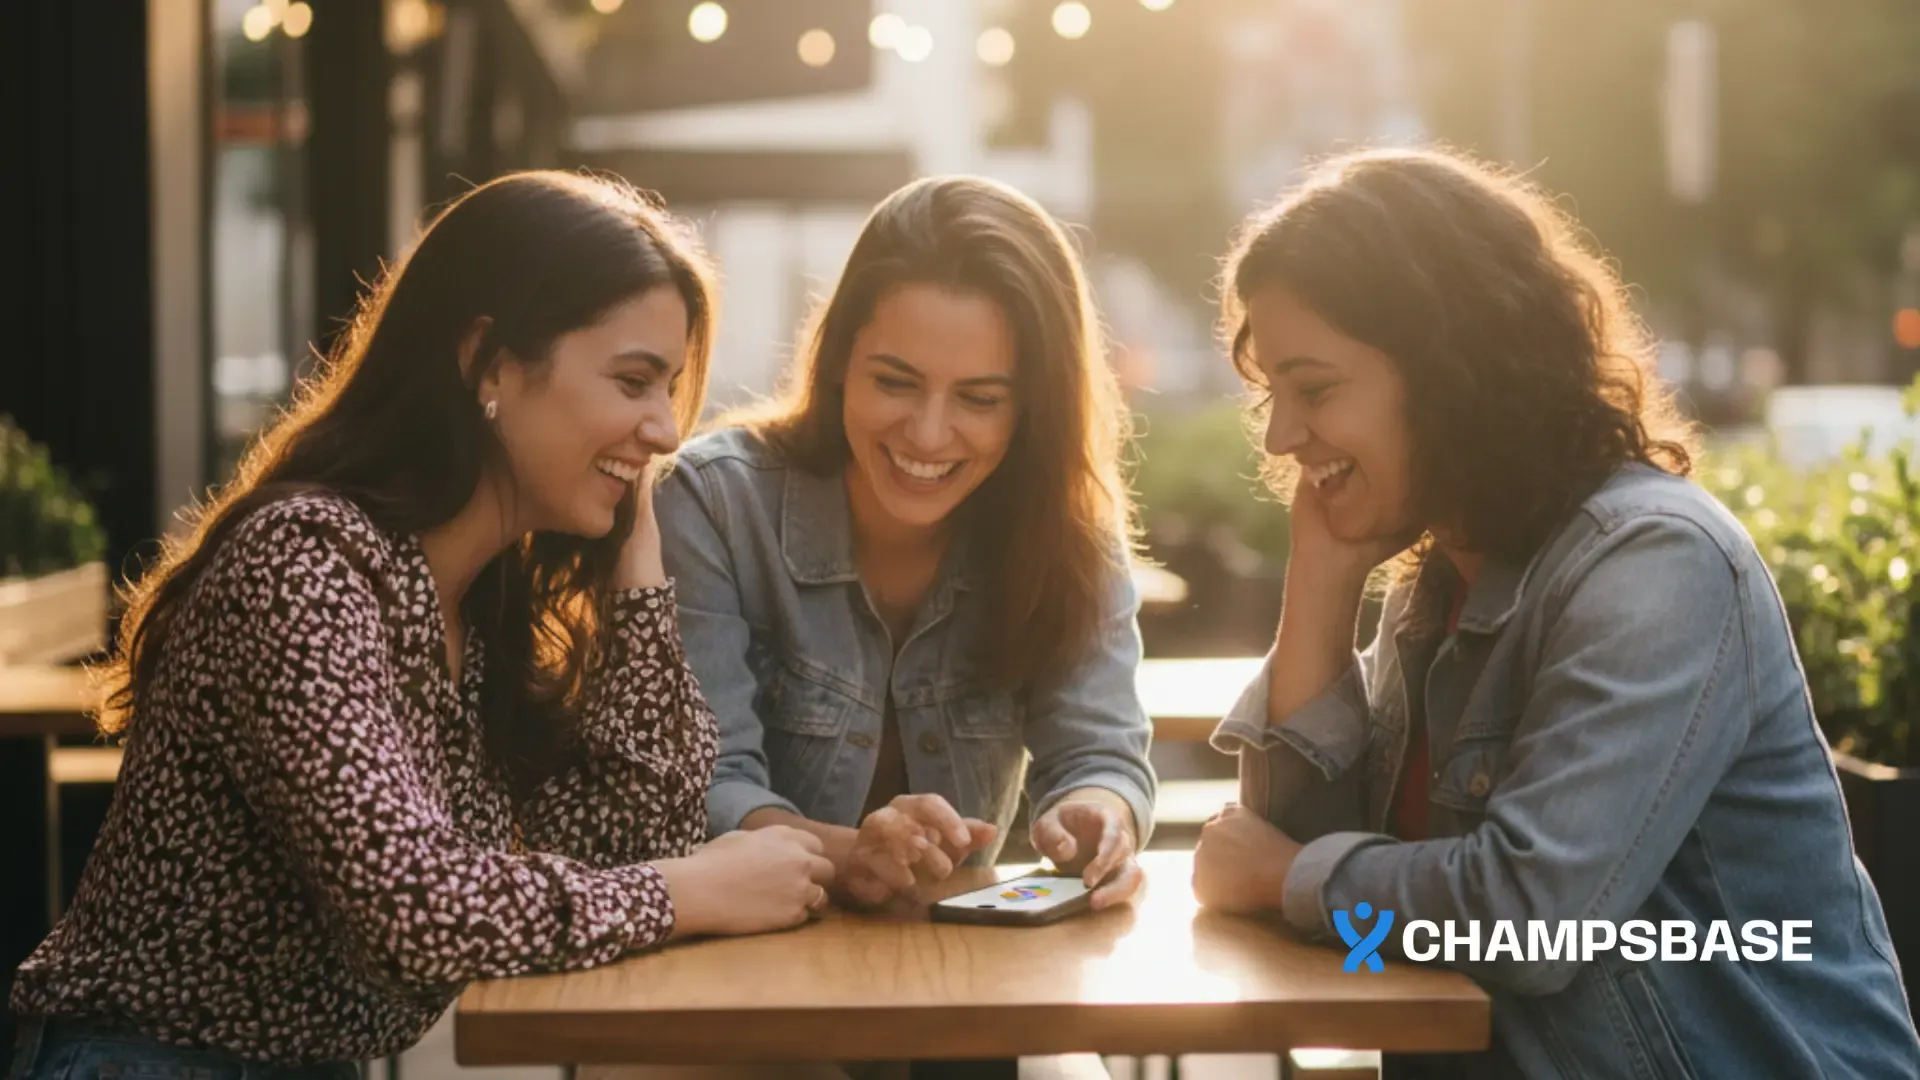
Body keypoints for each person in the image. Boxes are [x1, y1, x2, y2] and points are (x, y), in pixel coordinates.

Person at [6, 172, 834, 1080]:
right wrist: (688, 893)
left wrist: (637, 576)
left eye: (669, 390)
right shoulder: (306, 564)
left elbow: (628, 848)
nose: (668, 431)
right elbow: (414, 912)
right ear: (488, 364)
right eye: (633, 381)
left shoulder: (481, 607)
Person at [1191, 148, 1920, 1078]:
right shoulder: (1442, 584)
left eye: (1316, 390)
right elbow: (1298, 867)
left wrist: (1283, 878)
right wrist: (1322, 581)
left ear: (1449, 371)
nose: (1281, 436)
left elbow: (1532, 921)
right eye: (1273, 396)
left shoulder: (1652, 562)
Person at [658, 174, 1157, 916]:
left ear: (1033, 406)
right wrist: (848, 852)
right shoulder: (713, 503)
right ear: (839, 361)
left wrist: (1101, 813)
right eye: (895, 383)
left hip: (960, 970)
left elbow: (1100, 751)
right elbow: (703, 786)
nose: (927, 433)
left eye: (980, 399)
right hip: (743, 961)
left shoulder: (1066, 526)